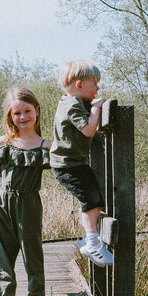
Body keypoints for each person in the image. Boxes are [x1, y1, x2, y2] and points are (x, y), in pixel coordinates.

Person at [0, 87, 50, 296]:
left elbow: (68, 171)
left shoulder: (44, 145)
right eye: (17, 113)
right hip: (3, 206)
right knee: (4, 260)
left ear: (37, 111)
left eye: (27, 111)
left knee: (33, 259)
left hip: (29, 206)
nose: (23, 117)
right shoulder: (4, 143)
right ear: (10, 116)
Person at [50, 60, 114, 267]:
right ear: (79, 85)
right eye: (94, 84)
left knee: (94, 197)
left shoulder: (70, 102)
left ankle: (89, 236)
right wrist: (95, 109)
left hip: (73, 162)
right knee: (90, 199)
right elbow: (88, 130)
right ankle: (93, 244)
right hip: (67, 165)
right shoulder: (72, 106)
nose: (97, 89)